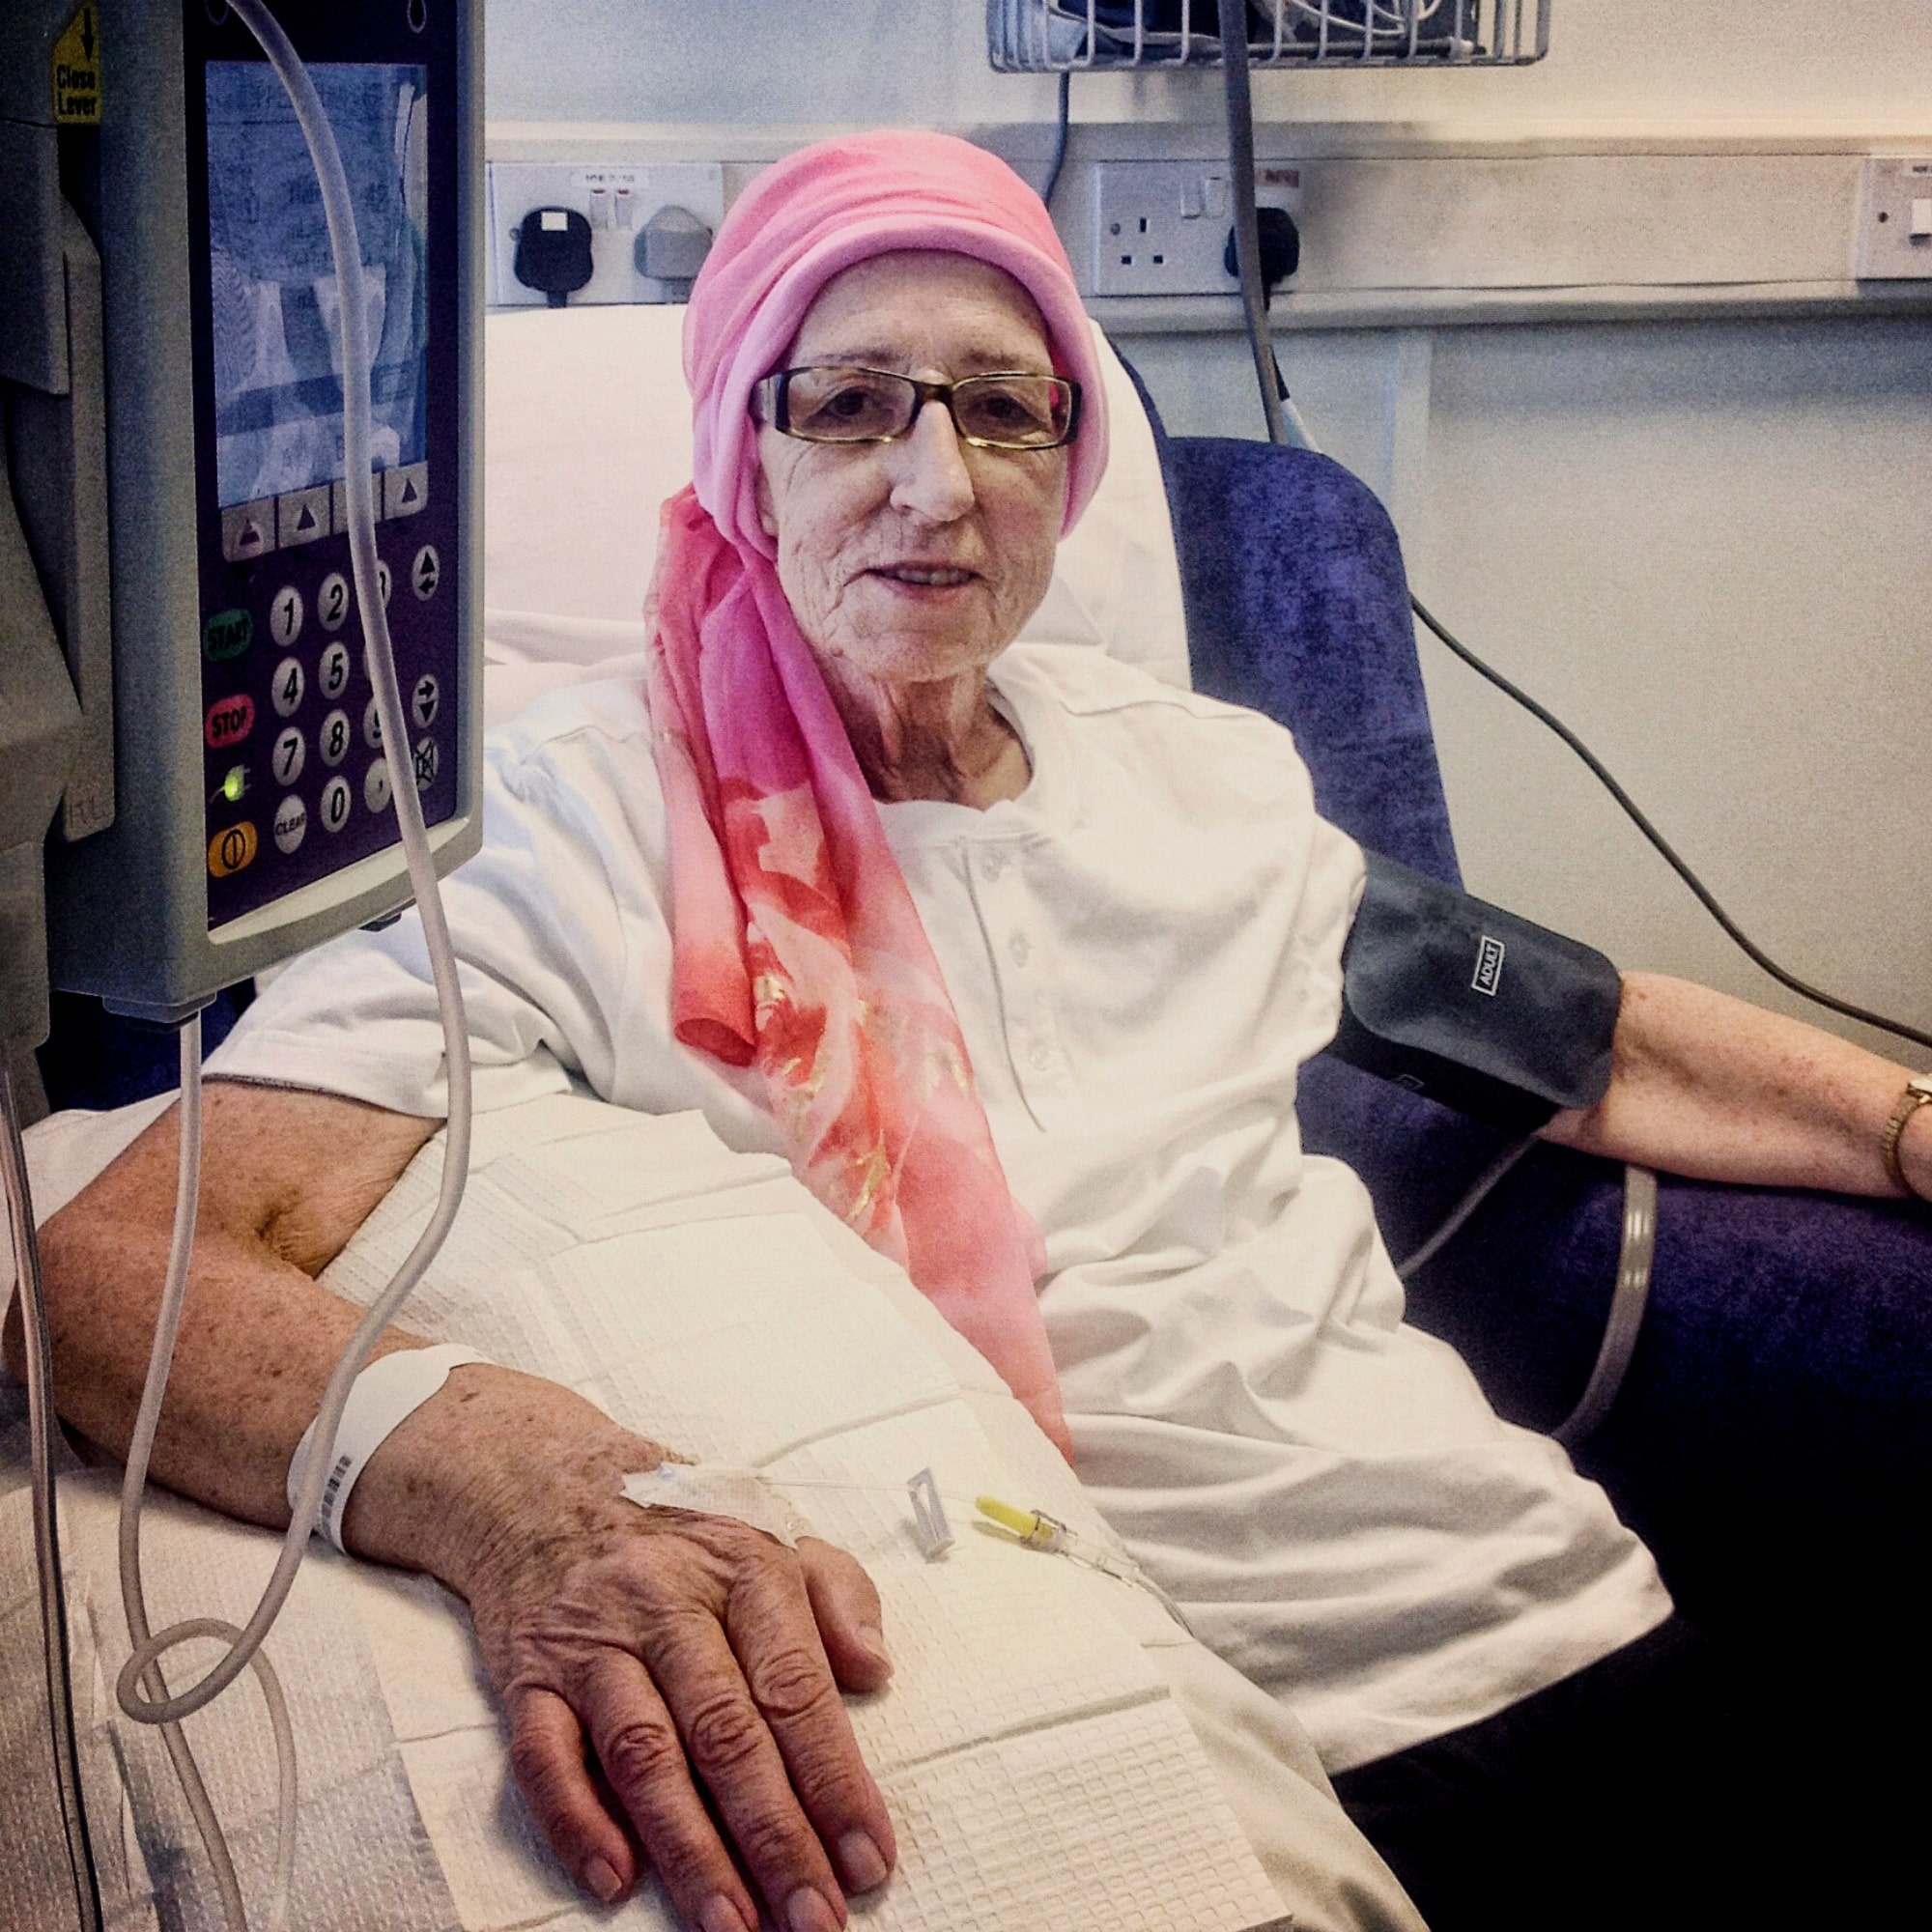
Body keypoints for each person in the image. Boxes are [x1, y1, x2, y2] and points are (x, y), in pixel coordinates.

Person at [17, 132, 1930, 1932]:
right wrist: (503, 1489)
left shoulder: (1202, 779)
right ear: (738, 446)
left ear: (1069, 464)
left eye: (1002, 407)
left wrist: (1906, 1122)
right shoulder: (550, 826)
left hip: (1532, 1604)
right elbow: (108, 1266)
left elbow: (1567, 1025)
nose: (936, 481)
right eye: (847, 402)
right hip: (1140, 1713)